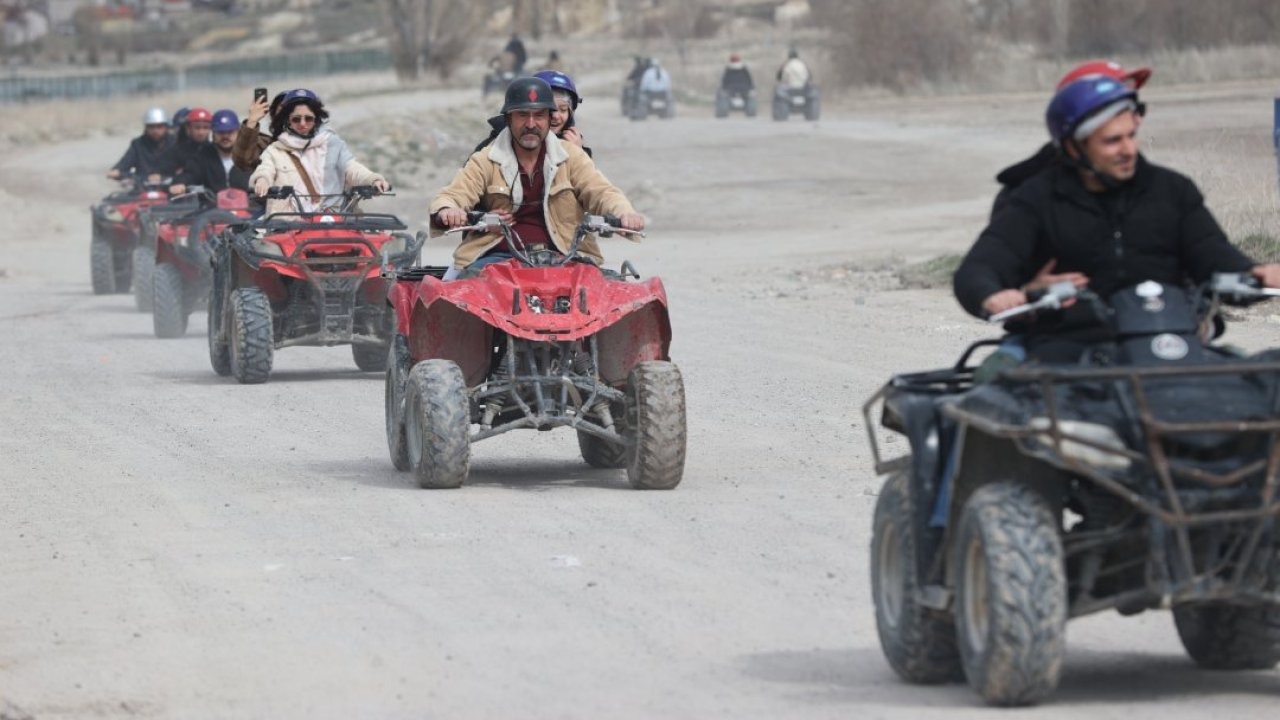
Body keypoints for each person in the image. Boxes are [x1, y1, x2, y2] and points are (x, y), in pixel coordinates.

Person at [953, 74, 1280, 363]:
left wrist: (1256, 273)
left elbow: (1213, 255)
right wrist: (992, 294)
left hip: (1171, 343)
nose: (1128, 150)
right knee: (997, 394)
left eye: (1131, 136)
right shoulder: (1036, 199)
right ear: (1074, 146)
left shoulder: (1173, 190)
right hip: (1069, 351)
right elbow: (981, 266)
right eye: (1112, 141)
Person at [429, 77, 643, 276]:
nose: (531, 124)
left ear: (550, 119)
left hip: (567, 257)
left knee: (613, 295)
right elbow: (454, 194)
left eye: (539, 115)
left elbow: (602, 192)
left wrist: (624, 213)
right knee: (459, 293)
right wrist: (448, 210)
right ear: (508, 119)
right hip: (497, 259)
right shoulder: (486, 158)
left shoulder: (572, 155)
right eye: (522, 115)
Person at [991, 60, 1151, 219]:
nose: (1137, 119)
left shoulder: (1147, 182)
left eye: (1136, 108)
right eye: (1120, 110)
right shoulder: (1025, 197)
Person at [249, 89, 389, 215]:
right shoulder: (275, 150)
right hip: (289, 224)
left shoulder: (333, 144)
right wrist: (262, 180)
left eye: (308, 118)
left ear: (317, 119)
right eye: (296, 119)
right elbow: (265, 169)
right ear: (287, 121)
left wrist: (373, 179)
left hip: (335, 219)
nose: (303, 123)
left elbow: (352, 169)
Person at [472, 71, 591, 157]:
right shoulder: (495, 145)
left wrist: (579, 155)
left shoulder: (575, 146)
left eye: (563, 109)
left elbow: (589, 183)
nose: (555, 116)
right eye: (550, 110)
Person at [172, 109, 251, 195]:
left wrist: (260, 180)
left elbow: (260, 172)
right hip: (212, 202)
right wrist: (180, 183)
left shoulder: (249, 155)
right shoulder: (204, 155)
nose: (225, 136)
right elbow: (190, 174)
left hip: (247, 202)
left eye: (230, 132)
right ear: (213, 133)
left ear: (238, 133)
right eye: (220, 132)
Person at [107, 106, 173, 181]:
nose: (155, 130)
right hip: (143, 183)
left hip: (171, 184)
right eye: (151, 127)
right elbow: (125, 163)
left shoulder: (175, 143)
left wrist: (163, 177)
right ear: (146, 127)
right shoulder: (138, 144)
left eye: (159, 126)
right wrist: (117, 171)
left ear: (166, 127)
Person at [233, 90, 287, 173]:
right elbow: (244, 159)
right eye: (282, 111)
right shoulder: (267, 145)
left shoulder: (309, 146)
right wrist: (252, 121)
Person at [158, 107, 212, 182]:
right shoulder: (175, 152)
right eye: (197, 128)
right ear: (188, 128)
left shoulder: (216, 151)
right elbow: (163, 173)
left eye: (205, 128)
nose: (201, 132)